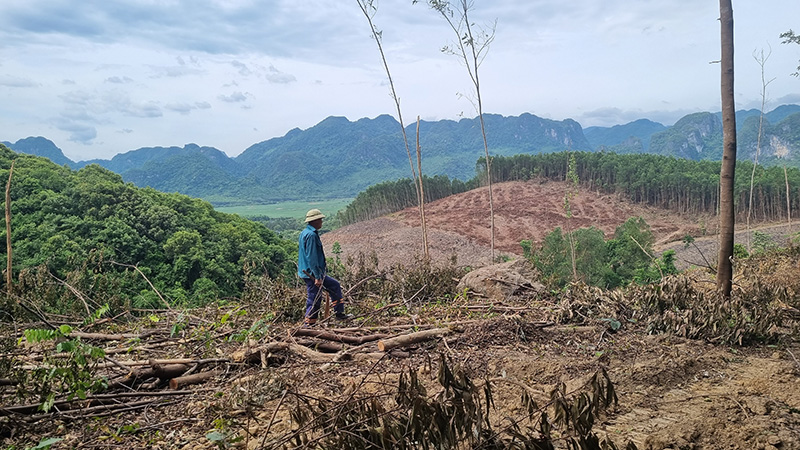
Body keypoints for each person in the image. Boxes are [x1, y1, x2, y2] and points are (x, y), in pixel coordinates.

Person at [297, 208, 352, 326]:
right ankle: (308, 325)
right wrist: (317, 276)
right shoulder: (311, 235)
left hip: (312, 271)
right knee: (315, 298)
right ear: (315, 221)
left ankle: (339, 313)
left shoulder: (305, 233)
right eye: (320, 220)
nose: (322, 222)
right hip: (312, 273)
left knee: (334, 286)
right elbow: (312, 257)